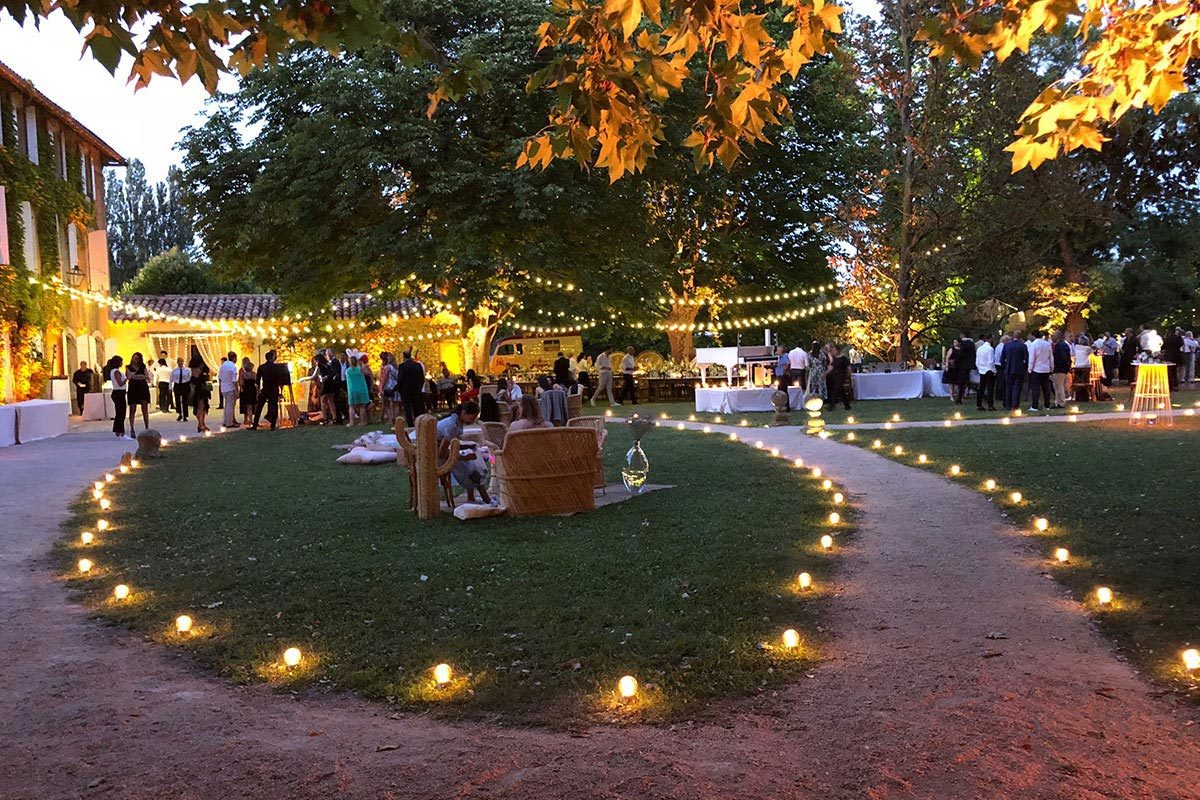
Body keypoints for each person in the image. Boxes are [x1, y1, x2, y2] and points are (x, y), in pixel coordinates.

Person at [435, 401, 491, 504]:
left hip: (441, 451)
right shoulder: (453, 426)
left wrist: (468, 447)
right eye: (471, 418)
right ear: (464, 413)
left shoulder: (457, 422)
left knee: (472, 459)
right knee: (471, 468)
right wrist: (464, 458)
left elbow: (452, 444)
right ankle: (486, 499)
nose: (473, 421)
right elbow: (442, 452)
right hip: (436, 457)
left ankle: (474, 497)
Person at [252, 350, 294, 430]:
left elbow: (257, 381)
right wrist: (281, 391)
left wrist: (258, 392)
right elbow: (281, 380)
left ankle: (255, 424)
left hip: (265, 388)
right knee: (274, 406)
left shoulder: (261, 367)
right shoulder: (277, 367)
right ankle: (273, 425)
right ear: (272, 358)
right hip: (274, 389)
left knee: (259, 407)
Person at [999, 330, 1028, 411]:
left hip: (1009, 369)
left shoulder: (1007, 346)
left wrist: (1005, 366)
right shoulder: (1023, 346)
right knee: (1017, 387)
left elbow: (1002, 359)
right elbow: (1026, 359)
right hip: (1019, 369)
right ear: (1020, 337)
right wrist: (1024, 368)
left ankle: (1008, 404)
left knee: (1008, 387)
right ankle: (1015, 404)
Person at [125, 351, 153, 436]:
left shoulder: (143, 366)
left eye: (137, 358)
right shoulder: (128, 367)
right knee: (132, 408)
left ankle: (147, 427)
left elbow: (146, 376)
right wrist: (140, 376)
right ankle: (132, 428)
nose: (135, 360)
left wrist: (136, 376)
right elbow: (129, 376)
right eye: (134, 358)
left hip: (142, 388)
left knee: (144, 408)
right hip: (133, 388)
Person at [396, 350, 426, 426]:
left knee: (407, 407)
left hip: (405, 390)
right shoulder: (418, 365)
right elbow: (422, 378)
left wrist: (399, 389)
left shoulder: (402, 366)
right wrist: (420, 386)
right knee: (416, 406)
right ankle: (418, 422)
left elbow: (400, 379)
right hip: (416, 389)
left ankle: (410, 423)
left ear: (404, 357)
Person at [1027, 330, 1053, 411]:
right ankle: (1047, 405)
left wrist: (1029, 369)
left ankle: (1035, 406)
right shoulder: (1047, 344)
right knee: (1046, 388)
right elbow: (1051, 358)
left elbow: (1032, 358)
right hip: (1046, 369)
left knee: (1035, 388)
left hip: (1037, 369)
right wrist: (1052, 368)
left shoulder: (1033, 345)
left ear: (1033, 336)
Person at [189, 348, 212, 433]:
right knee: (202, 408)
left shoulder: (191, 370)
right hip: (201, 391)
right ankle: (201, 424)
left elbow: (192, 383)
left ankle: (201, 424)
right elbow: (198, 381)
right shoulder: (198, 371)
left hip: (197, 391)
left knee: (200, 408)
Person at [345, 353, 370, 425]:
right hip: (362, 389)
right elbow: (368, 374)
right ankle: (363, 421)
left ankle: (351, 422)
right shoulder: (361, 369)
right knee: (362, 406)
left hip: (352, 389)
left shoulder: (348, 371)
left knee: (351, 406)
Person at [826, 344, 851, 411]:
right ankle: (847, 405)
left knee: (836, 390)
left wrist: (849, 375)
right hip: (834, 377)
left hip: (841, 376)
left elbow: (848, 368)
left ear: (837, 350)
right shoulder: (835, 359)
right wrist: (826, 373)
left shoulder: (844, 359)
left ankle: (831, 406)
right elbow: (831, 367)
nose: (833, 351)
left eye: (834, 350)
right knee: (841, 391)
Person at [107, 356, 128, 439]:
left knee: (119, 412)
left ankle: (117, 430)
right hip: (119, 392)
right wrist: (127, 378)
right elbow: (120, 383)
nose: (122, 363)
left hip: (118, 392)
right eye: (121, 362)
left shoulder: (113, 371)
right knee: (121, 413)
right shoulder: (116, 372)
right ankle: (121, 431)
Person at [218, 352, 240, 428]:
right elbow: (234, 381)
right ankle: (229, 422)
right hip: (230, 388)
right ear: (234, 358)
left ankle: (226, 420)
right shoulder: (233, 367)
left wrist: (221, 387)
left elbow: (220, 378)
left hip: (224, 388)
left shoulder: (223, 365)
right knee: (230, 406)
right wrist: (237, 390)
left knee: (227, 405)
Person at [975, 334, 996, 411]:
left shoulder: (980, 349)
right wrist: (994, 370)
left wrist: (980, 368)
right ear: (990, 339)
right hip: (989, 370)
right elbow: (991, 361)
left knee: (981, 387)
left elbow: (977, 361)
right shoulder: (990, 349)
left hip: (982, 370)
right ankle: (990, 405)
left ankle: (979, 404)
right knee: (990, 388)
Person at [1051, 331, 1072, 408]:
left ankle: (1061, 402)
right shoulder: (1064, 345)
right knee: (1057, 386)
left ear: (1058, 337)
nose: (1052, 337)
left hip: (1060, 369)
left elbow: (1063, 358)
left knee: (1059, 386)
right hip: (1063, 368)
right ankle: (1057, 401)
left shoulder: (1060, 346)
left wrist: (1057, 366)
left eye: (1054, 336)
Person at [954, 331, 975, 405]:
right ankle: (963, 395)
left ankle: (959, 397)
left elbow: (959, 356)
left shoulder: (962, 345)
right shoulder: (971, 344)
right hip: (968, 365)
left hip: (961, 366)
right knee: (966, 381)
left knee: (961, 382)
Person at [239, 357, 258, 426]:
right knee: (251, 405)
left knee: (246, 406)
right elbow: (257, 383)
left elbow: (241, 383)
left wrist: (241, 388)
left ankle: (246, 419)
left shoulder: (243, 374)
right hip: (252, 390)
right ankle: (251, 419)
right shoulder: (254, 374)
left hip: (245, 391)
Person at [170, 357, 191, 421]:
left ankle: (185, 415)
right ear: (177, 362)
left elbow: (190, 378)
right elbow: (171, 379)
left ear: (183, 362)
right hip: (177, 385)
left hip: (185, 385)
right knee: (177, 401)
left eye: (181, 361)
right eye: (179, 361)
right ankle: (179, 413)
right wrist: (170, 387)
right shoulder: (174, 370)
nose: (180, 363)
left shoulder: (187, 370)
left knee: (185, 401)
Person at [774, 345, 792, 410]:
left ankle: (786, 406)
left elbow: (788, 363)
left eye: (778, 350)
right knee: (780, 390)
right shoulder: (779, 357)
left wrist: (785, 370)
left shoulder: (785, 356)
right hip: (779, 375)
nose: (776, 351)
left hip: (783, 376)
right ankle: (781, 405)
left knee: (783, 390)